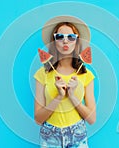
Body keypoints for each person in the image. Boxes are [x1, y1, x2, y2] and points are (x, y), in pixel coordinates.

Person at [34, 16, 96, 148]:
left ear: (77, 41)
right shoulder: (42, 73)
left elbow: (92, 119)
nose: (65, 41)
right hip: (49, 136)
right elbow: (38, 119)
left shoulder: (86, 75)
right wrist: (59, 97)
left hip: (77, 135)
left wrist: (73, 96)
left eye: (71, 37)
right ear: (54, 41)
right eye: (60, 36)